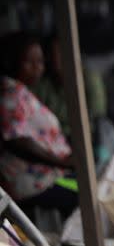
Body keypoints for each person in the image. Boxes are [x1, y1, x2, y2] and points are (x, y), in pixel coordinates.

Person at [0, 33, 77, 220]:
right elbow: (18, 142)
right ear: (12, 61)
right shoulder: (9, 95)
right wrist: (60, 162)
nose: (37, 68)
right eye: (29, 62)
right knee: (85, 194)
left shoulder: (20, 91)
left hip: (47, 176)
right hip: (32, 182)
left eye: (40, 62)